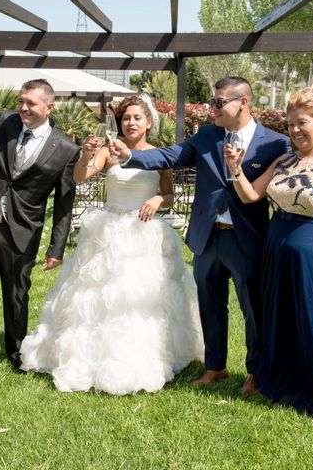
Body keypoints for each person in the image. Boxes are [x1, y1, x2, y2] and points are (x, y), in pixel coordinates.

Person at [111, 77, 291, 394]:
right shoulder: (207, 135)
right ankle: (215, 366)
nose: (212, 109)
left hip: (246, 238)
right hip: (207, 236)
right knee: (210, 303)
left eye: (219, 102)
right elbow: (169, 156)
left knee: (253, 309)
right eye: (213, 102)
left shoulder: (274, 144)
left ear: (243, 103)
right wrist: (130, 156)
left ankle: (256, 372)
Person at [20, 95, 203, 394]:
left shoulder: (159, 155)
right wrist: (84, 156)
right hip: (108, 232)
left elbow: (169, 196)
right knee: (96, 298)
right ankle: (90, 358)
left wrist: (158, 199)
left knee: (140, 299)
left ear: (148, 122)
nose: (130, 123)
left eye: (136, 118)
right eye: (126, 118)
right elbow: (80, 177)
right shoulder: (109, 150)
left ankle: (142, 354)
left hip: (144, 232)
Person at [225, 87, 313, 417]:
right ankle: (283, 383)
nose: (295, 130)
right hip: (277, 250)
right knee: (280, 320)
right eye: (290, 125)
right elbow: (251, 196)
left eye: (302, 123)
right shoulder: (284, 160)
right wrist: (236, 169)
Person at [0, 79, 79, 372]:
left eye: (30, 103)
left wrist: (56, 247)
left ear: (49, 107)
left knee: (17, 294)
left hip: (23, 229)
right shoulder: (5, 121)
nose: (23, 108)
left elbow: (63, 203)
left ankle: (16, 353)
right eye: (21, 101)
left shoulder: (67, 149)